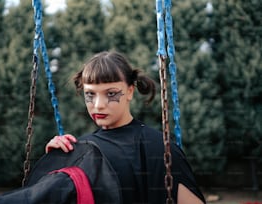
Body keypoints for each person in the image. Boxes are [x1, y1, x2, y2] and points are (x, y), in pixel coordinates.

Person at [45, 51, 206, 204]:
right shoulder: (80, 148)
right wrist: (55, 161)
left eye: (111, 94)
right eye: (90, 94)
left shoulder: (160, 148)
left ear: (130, 91)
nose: (98, 105)